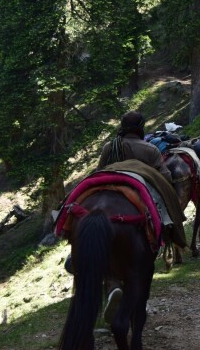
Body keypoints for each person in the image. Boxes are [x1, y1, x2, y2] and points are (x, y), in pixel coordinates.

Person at [67, 110, 172, 323]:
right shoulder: (150, 150)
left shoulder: (109, 147)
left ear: (122, 128)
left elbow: (100, 171)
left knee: (77, 204)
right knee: (160, 211)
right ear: (141, 128)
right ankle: (168, 231)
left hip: (106, 184)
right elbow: (166, 177)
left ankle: (74, 245)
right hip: (138, 188)